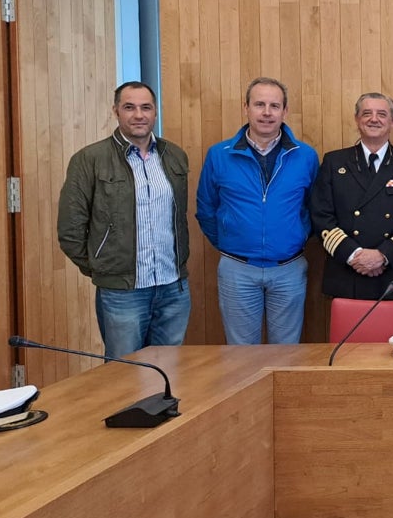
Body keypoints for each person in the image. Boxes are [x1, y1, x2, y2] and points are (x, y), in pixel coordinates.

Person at [57, 82, 191, 358]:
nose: (138, 115)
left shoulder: (174, 156)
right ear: (116, 111)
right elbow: (70, 230)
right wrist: (102, 268)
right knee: (124, 376)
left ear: (155, 112)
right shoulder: (89, 159)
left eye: (146, 107)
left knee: (169, 373)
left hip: (172, 288)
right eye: (129, 107)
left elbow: (180, 219)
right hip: (122, 293)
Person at [196, 78, 319, 345]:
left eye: (274, 105)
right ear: (246, 108)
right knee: (241, 356)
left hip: (288, 268)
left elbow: (314, 207)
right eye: (259, 104)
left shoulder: (306, 156)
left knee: (285, 354)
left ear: (285, 112)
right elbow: (206, 208)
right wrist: (231, 240)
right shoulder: (219, 154)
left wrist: (295, 237)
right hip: (237, 269)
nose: (267, 112)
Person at [310, 92, 393, 300]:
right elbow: (322, 216)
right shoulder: (334, 162)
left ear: (392, 122)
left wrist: (382, 256)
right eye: (367, 113)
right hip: (348, 271)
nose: (374, 119)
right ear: (357, 119)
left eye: (382, 114)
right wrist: (355, 256)